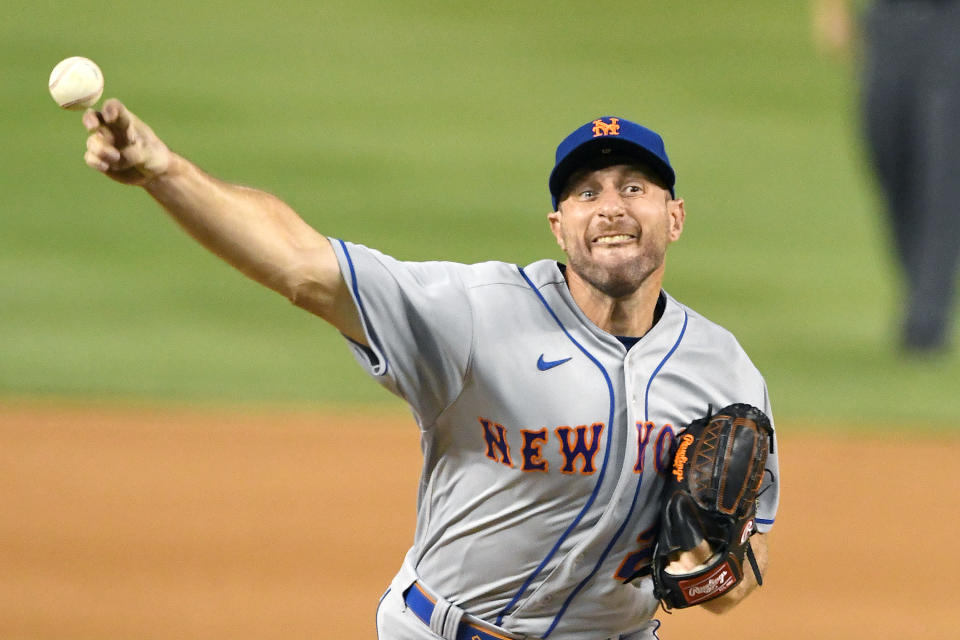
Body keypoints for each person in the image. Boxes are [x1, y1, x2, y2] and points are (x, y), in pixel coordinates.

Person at [81, 102, 780, 639]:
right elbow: (301, 266)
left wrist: (709, 572)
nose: (612, 208)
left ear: (675, 216)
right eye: (588, 193)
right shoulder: (475, 316)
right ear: (559, 226)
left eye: (635, 187)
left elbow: (740, 574)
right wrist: (164, 172)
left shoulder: (725, 372)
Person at [813, 0, 960, 354]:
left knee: (942, 171)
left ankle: (926, 319)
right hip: (887, 20)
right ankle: (920, 289)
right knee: (890, 157)